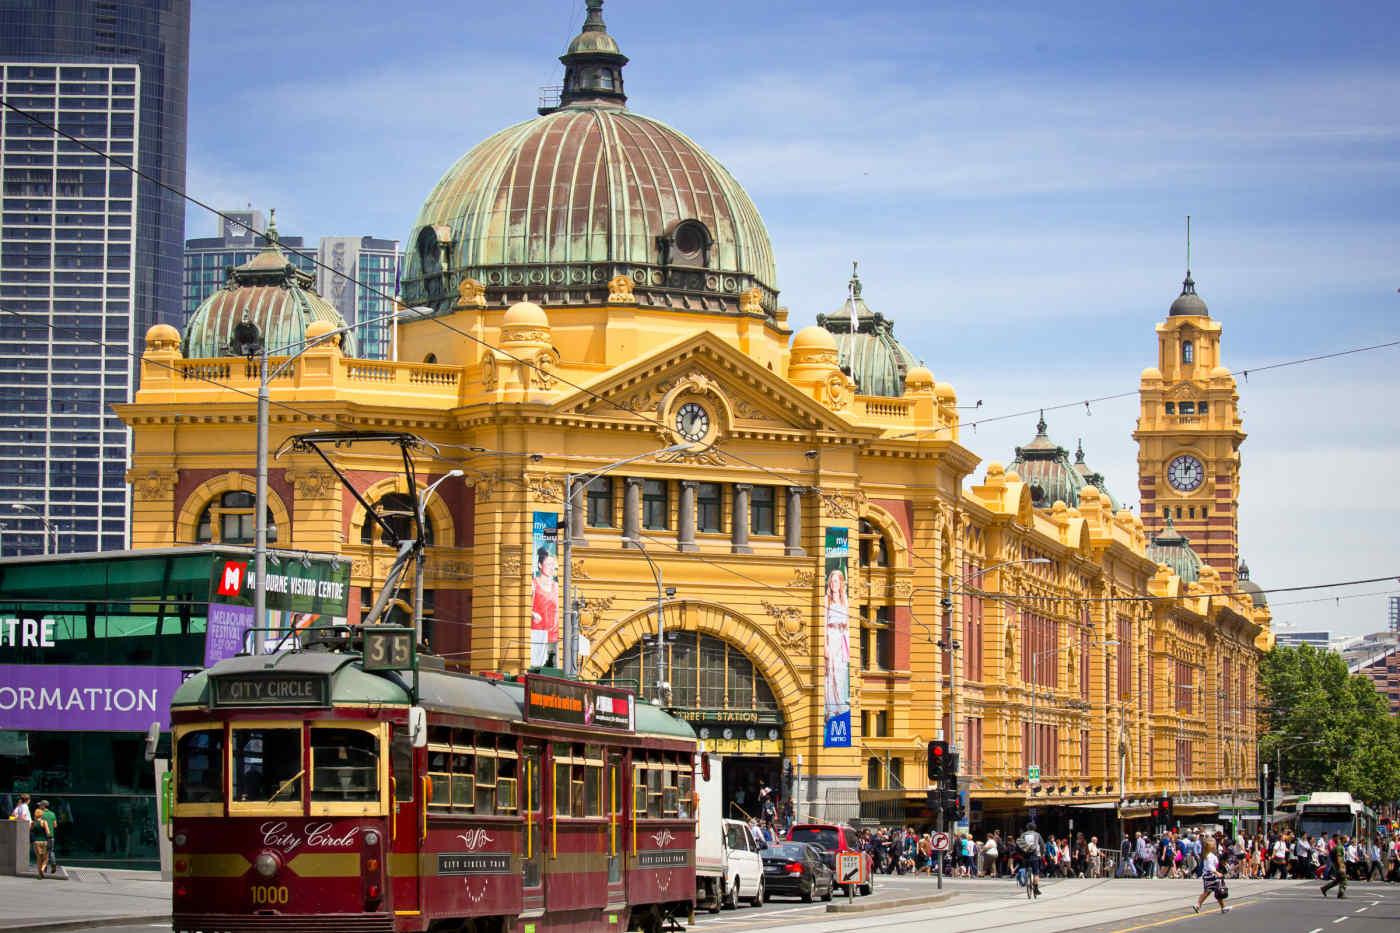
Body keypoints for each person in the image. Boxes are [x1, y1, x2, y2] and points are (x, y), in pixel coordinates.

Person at [823, 568, 850, 722]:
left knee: (840, 673)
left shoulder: (845, 600)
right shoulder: (826, 600)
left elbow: (848, 624)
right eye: (832, 581)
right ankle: (831, 708)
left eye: (836, 581)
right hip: (830, 636)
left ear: (841, 583)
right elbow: (823, 624)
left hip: (841, 638)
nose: (834, 584)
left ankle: (840, 705)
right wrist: (825, 646)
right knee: (830, 674)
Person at [530, 546, 560, 667]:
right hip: (537, 634)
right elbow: (525, 608)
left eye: (553, 565)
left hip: (554, 635)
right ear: (540, 565)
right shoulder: (533, 585)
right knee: (537, 667)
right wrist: (533, 614)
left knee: (553, 669)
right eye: (548, 564)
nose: (552, 568)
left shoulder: (556, 587)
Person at [1192, 839, 1231, 914]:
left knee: (1207, 891)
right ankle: (1223, 908)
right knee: (1219, 891)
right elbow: (1210, 867)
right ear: (1212, 847)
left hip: (1207, 875)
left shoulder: (1208, 855)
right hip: (1211, 875)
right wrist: (1217, 873)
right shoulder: (1210, 856)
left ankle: (1198, 905)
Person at [1018, 821, 1044, 898]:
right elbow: (1042, 845)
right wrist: (1042, 854)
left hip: (1025, 855)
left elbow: (1020, 844)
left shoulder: (1023, 834)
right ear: (1034, 828)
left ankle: (1026, 878)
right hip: (1034, 855)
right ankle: (1036, 888)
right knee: (1036, 873)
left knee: (1025, 868)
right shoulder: (1037, 834)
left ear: (1027, 828)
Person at [30, 800, 52, 878]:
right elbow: (48, 832)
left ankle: (39, 874)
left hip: (36, 842)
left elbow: (30, 830)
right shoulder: (44, 822)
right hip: (44, 841)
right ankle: (42, 869)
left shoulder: (33, 823)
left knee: (38, 858)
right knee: (46, 858)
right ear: (41, 814)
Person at [1321, 834, 1348, 899]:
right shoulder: (1340, 847)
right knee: (1344, 879)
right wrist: (1341, 867)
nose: (1347, 839)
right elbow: (1339, 857)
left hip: (1337, 865)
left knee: (1338, 880)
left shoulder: (1340, 846)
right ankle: (1341, 894)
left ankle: (1324, 888)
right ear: (1343, 839)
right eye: (1346, 838)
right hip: (1338, 866)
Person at [36, 800, 58, 874]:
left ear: (43, 806)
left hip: (43, 837)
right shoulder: (52, 814)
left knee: (43, 853)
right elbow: (55, 825)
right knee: (51, 851)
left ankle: (44, 868)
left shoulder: (40, 814)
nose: (39, 806)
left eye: (40, 805)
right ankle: (53, 863)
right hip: (51, 836)